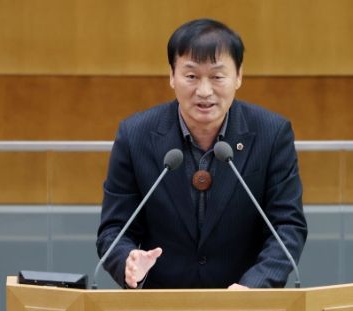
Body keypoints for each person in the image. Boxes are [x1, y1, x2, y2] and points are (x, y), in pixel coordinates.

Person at [96, 19, 307, 289]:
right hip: (161, 303)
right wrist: (128, 260)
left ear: (239, 76)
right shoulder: (135, 135)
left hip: (245, 303)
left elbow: (287, 227)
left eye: (217, 77)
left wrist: (254, 287)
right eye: (191, 76)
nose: (204, 91)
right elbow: (114, 230)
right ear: (172, 76)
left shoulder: (272, 134)